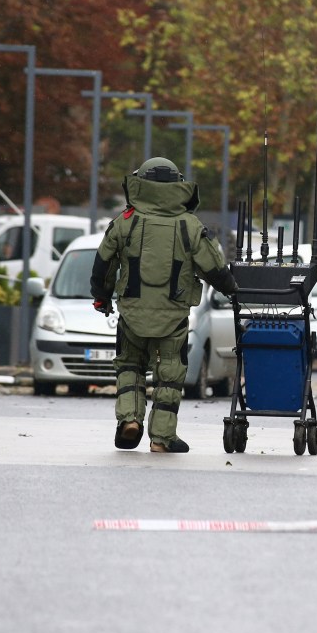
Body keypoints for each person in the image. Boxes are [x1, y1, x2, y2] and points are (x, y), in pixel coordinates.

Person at [90, 157, 238, 453]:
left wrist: (102, 297)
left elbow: (103, 265)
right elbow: (214, 269)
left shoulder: (125, 222)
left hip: (132, 313)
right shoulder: (190, 225)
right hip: (174, 315)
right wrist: (234, 291)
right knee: (170, 372)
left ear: (140, 183)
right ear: (177, 186)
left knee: (129, 366)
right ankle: (161, 438)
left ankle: (130, 419)